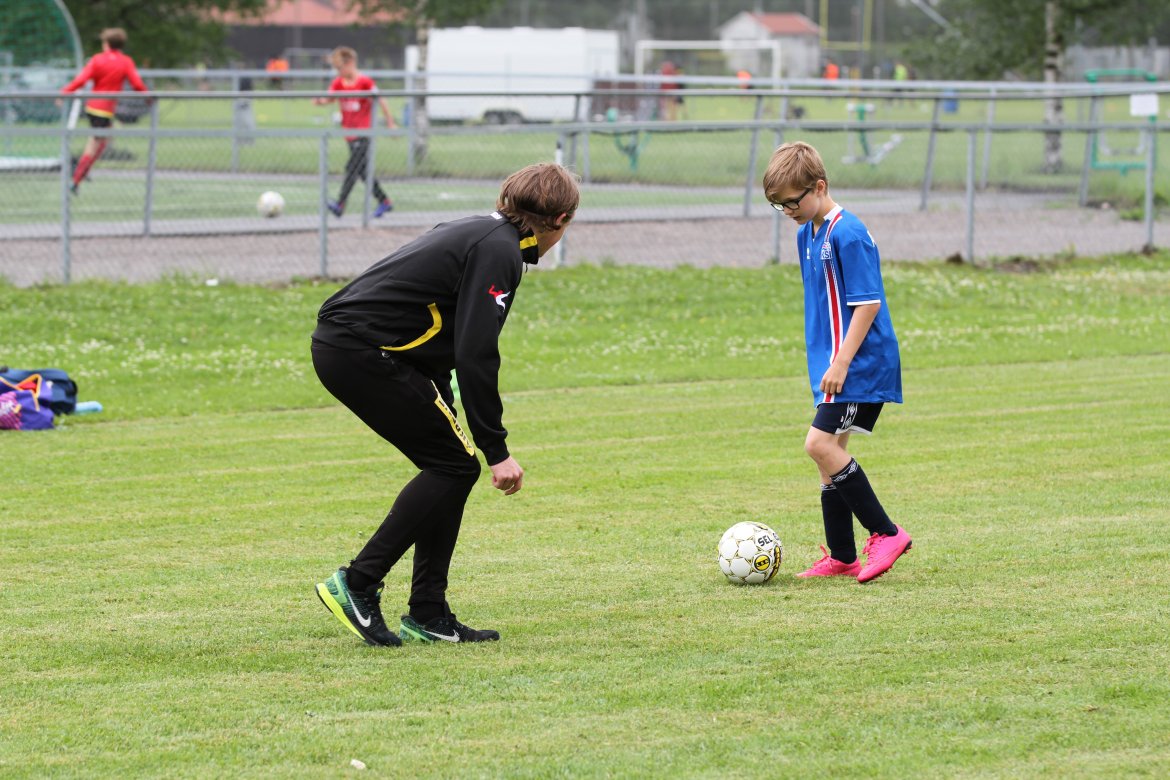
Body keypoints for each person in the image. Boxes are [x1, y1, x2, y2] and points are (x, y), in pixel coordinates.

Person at [311, 162, 580, 647]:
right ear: (561, 219)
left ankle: (429, 613)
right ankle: (357, 582)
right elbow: (476, 353)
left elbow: (435, 322)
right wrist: (496, 450)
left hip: (362, 349)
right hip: (361, 351)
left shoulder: (483, 233)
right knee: (455, 466)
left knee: (451, 466)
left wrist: (447, 403)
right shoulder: (500, 251)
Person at [761, 141, 911, 583]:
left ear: (820, 187)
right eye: (779, 205)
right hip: (834, 365)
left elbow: (868, 304)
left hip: (859, 365)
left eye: (792, 201)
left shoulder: (849, 233)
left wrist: (842, 362)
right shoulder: (806, 233)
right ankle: (843, 556)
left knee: (819, 445)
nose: (787, 211)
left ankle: (887, 533)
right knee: (830, 456)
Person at [60, 28, 149, 196]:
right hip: (103, 110)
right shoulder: (125, 61)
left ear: (106, 44)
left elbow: (81, 79)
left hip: (95, 107)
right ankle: (77, 178)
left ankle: (81, 172)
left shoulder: (97, 59)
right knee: (95, 144)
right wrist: (148, 97)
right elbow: (137, 84)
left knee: (102, 142)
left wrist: (66, 91)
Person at [314, 46, 397, 218]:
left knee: (351, 168)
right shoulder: (339, 82)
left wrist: (390, 122)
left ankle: (340, 203)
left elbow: (380, 99)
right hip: (349, 134)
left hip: (363, 133)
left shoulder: (364, 82)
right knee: (363, 172)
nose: (338, 72)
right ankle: (384, 201)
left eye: (340, 68)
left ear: (350, 63)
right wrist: (320, 101)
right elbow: (330, 98)